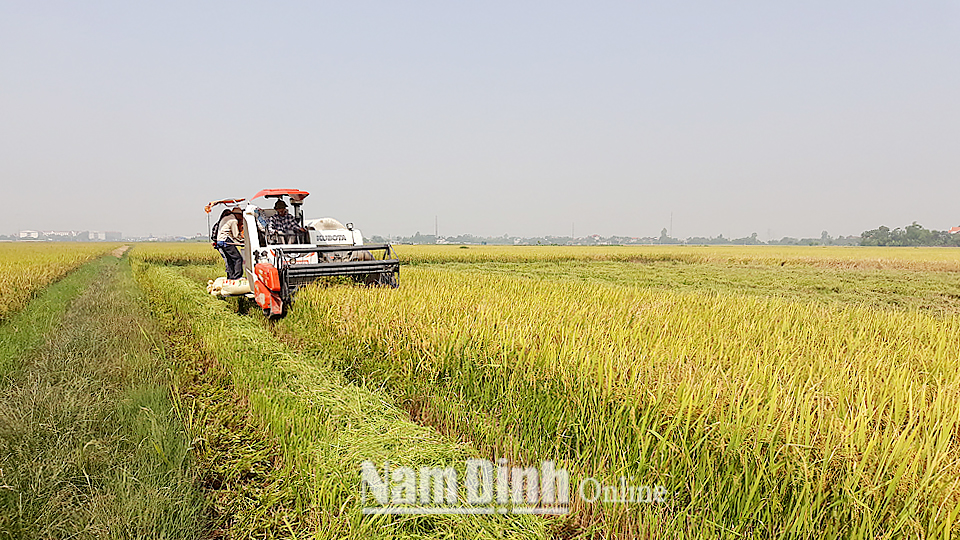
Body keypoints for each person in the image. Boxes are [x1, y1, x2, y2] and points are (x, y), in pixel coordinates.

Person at [216, 207, 245, 279]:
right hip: (226, 240)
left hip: (220, 240)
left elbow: (230, 234)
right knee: (238, 258)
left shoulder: (227, 218)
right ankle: (237, 276)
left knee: (230, 260)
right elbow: (235, 235)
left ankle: (231, 276)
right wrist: (243, 240)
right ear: (237, 215)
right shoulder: (233, 220)